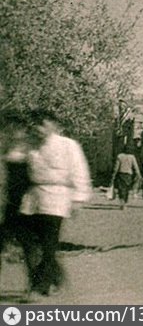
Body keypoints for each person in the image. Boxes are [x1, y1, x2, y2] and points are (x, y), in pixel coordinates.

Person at [20, 108, 92, 296]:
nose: (38, 128)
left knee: (48, 244)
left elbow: (80, 172)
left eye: (42, 124)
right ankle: (55, 276)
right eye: (35, 124)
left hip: (57, 198)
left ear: (53, 125)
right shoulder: (30, 146)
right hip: (33, 198)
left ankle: (39, 286)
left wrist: (78, 199)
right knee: (28, 242)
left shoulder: (68, 145)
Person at [1, 114, 35, 295]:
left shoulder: (31, 150)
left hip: (25, 203)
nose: (13, 132)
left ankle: (34, 283)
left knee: (28, 244)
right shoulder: (5, 149)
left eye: (17, 129)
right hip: (7, 204)